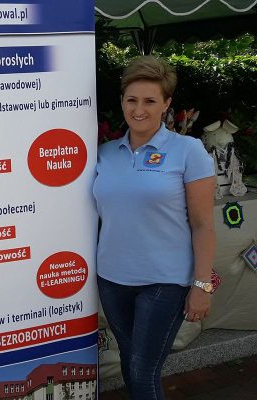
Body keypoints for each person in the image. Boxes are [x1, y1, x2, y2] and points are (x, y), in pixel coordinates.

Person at [93, 56, 216, 400]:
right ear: (122, 101)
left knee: (143, 371)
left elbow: (204, 225)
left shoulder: (188, 150)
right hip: (112, 279)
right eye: (131, 100)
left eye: (150, 101)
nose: (139, 110)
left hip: (165, 281)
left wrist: (202, 285)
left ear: (166, 104)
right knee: (130, 361)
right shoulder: (104, 154)